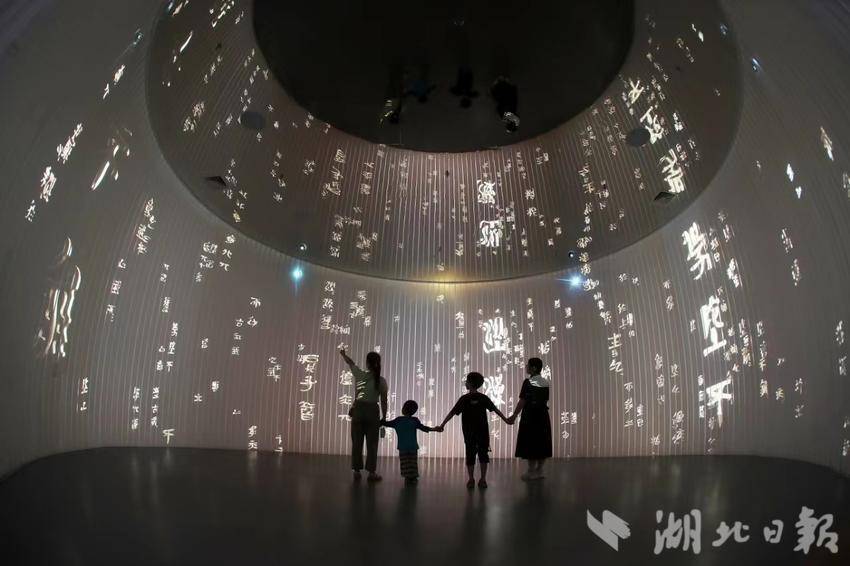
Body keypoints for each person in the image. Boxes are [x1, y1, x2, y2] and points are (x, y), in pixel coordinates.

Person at [436, 372, 510, 489]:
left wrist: (442, 424)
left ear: (470, 383)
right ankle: (483, 479)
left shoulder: (464, 399)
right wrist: (506, 420)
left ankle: (471, 479)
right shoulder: (482, 398)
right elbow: (495, 410)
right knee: (483, 454)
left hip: (469, 432)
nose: (465, 383)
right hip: (482, 432)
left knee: (470, 454)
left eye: (466, 381)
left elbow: (452, 413)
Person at [340, 349, 388, 482]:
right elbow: (384, 401)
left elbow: (351, 363)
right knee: (372, 444)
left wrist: (343, 355)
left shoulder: (360, 375)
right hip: (372, 411)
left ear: (367, 363)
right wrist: (384, 417)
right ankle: (372, 473)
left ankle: (356, 471)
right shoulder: (381, 381)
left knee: (357, 442)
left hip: (358, 410)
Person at [507, 358, 552, 480]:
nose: (526, 367)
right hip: (543, 415)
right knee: (542, 442)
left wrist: (514, 415)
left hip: (531, 415)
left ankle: (531, 471)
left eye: (528, 365)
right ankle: (540, 470)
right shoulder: (545, 382)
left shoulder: (528, 382)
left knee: (531, 442)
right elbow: (545, 400)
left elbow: (522, 401)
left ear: (534, 368)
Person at [382, 400, 439, 485]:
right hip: (413, 446)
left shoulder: (398, 420)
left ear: (404, 408)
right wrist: (435, 429)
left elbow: (386, 423)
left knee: (405, 463)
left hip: (402, 447)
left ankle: (407, 478)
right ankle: (413, 478)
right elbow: (424, 428)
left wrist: (379, 420)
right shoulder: (414, 420)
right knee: (412, 463)